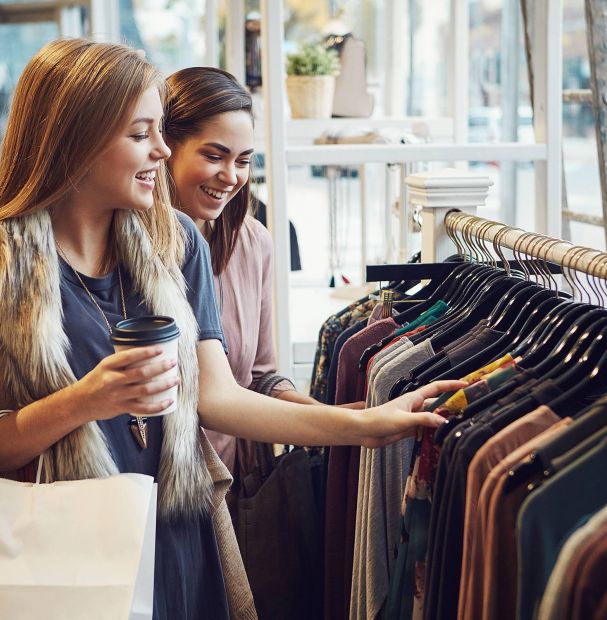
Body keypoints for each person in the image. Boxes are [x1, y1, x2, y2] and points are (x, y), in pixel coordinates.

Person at [0, 38, 459, 619]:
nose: (163, 152)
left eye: (161, 131)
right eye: (141, 134)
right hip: (63, 555)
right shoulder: (7, 265)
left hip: (177, 536)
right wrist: (84, 401)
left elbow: (220, 400)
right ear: (76, 138)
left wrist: (365, 425)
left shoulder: (176, 243)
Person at [163, 66, 357, 484]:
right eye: (213, 156)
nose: (231, 176)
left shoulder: (253, 243)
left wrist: (338, 417)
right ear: (167, 147)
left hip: (228, 480)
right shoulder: (129, 247)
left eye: (243, 161)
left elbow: (260, 378)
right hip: (151, 486)